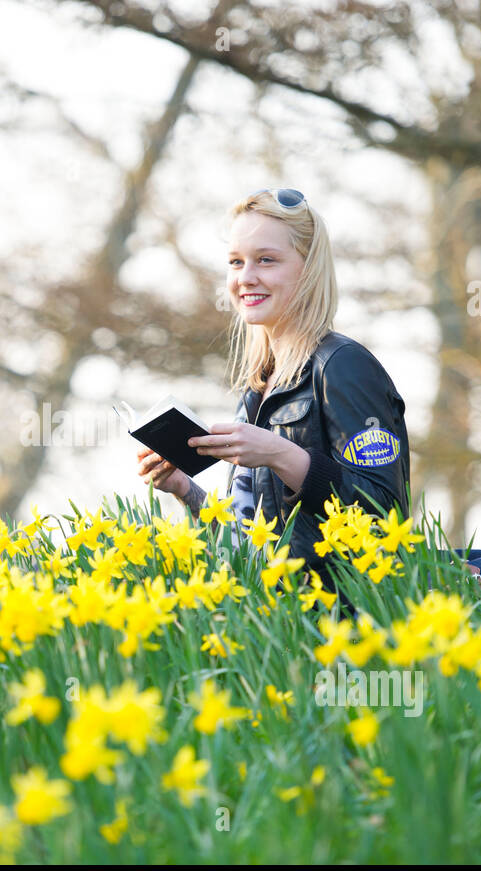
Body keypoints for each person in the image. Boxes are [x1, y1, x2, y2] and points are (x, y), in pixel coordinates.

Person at [135, 186, 414, 606]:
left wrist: (281, 455)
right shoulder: (258, 390)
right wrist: (184, 489)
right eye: (235, 262)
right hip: (278, 633)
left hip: (344, 631)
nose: (245, 277)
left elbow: (382, 514)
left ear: (309, 270)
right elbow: (248, 549)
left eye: (266, 260)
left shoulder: (342, 366)